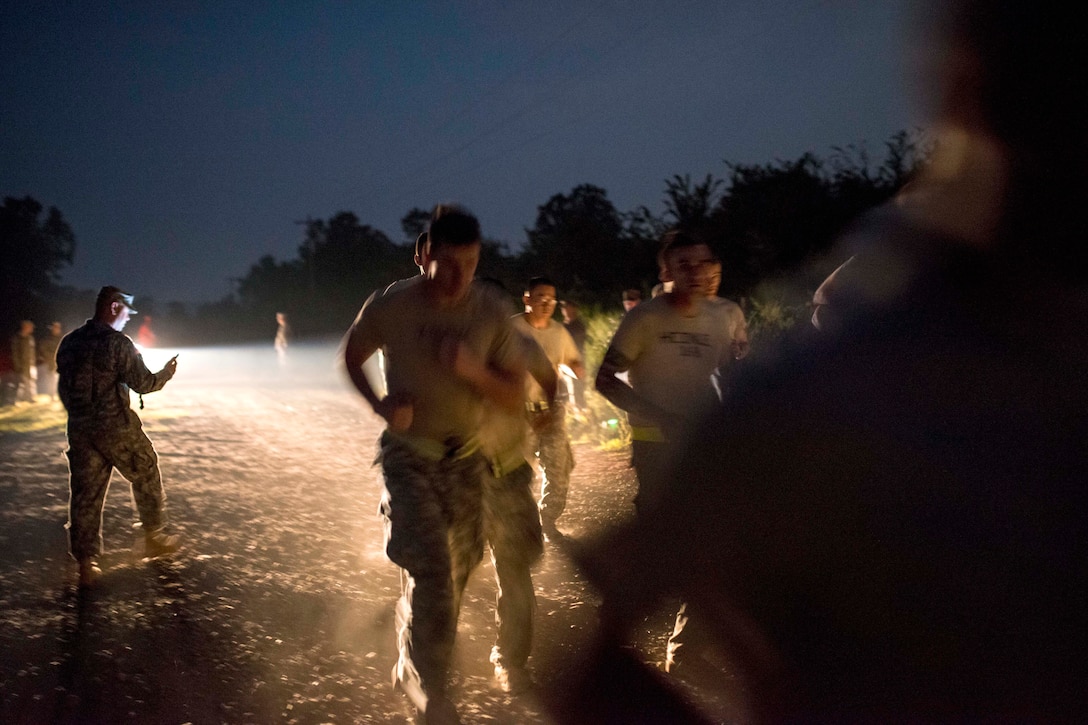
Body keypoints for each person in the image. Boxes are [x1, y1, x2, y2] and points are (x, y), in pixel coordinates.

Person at [548, 2, 1088, 721]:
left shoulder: (771, 359)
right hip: (667, 452)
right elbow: (595, 661)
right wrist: (656, 420)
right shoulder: (823, 390)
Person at [343, 207, 527, 724]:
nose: (457, 276)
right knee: (436, 577)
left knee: (458, 574)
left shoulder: (490, 310)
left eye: (468, 264)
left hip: (467, 460)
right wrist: (381, 405)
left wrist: (473, 371)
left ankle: (411, 650)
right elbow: (352, 354)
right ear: (426, 256)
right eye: (446, 264)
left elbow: (515, 394)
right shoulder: (393, 304)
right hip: (409, 457)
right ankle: (430, 693)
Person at [56, 287, 180, 587]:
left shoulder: (69, 343)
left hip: (80, 429)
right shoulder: (118, 344)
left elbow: (63, 388)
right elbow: (143, 383)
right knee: (146, 469)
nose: (127, 319)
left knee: (86, 495)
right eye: (125, 312)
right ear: (113, 307)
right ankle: (153, 538)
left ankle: (86, 566)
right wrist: (166, 372)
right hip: (116, 428)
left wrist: (79, 416)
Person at [514, 277, 585, 541]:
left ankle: (547, 519)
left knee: (559, 468)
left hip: (551, 410)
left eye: (551, 299)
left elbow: (572, 361)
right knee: (514, 472)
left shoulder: (558, 332)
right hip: (515, 412)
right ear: (527, 299)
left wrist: (575, 369)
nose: (547, 303)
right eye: (541, 297)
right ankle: (515, 524)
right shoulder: (511, 328)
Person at [559, 300, 588, 411]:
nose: (565, 309)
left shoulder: (578, 325)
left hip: (576, 362)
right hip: (562, 363)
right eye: (563, 307)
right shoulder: (562, 326)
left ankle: (581, 415)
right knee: (564, 392)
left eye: (567, 307)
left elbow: (577, 344)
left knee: (577, 391)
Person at [10, 319, 36, 403]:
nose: (32, 329)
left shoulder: (30, 338)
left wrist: (33, 362)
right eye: (30, 327)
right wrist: (18, 366)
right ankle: (14, 400)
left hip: (30, 364)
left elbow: (32, 352)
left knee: (29, 382)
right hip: (22, 365)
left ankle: (29, 398)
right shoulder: (17, 338)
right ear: (25, 327)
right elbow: (15, 353)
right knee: (19, 383)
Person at [36, 321, 62, 400]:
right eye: (54, 328)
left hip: (61, 362)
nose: (56, 329)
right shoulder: (47, 339)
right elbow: (43, 349)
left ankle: (61, 395)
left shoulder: (62, 338)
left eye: (57, 328)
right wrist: (51, 357)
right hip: (51, 362)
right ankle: (52, 395)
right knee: (51, 379)